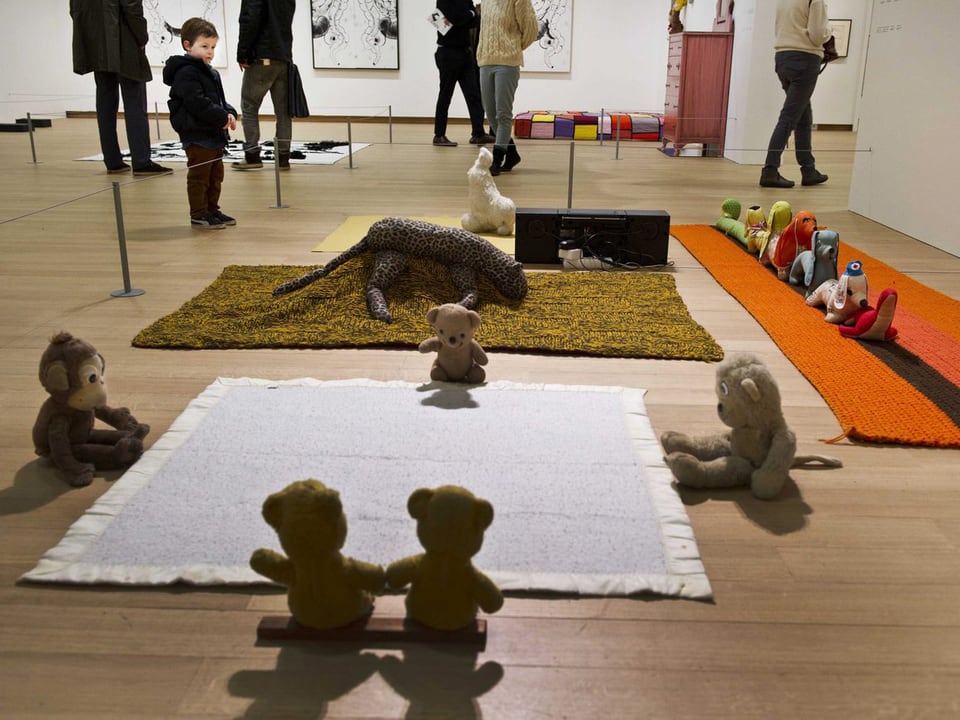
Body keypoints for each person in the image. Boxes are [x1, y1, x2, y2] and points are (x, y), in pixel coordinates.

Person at [70, 0, 171, 176]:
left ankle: (112, 160)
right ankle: (141, 161)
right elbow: (132, 8)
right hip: (125, 41)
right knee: (135, 103)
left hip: (96, 42)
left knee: (105, 102)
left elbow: (75, 10)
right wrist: (142, 37)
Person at [163, 18, 238, 229]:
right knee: (200, 176)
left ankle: (212, 210)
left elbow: (219, 100)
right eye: (204, 46)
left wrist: (229, 112)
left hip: (213, 134)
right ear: (187, 45)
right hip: (197, 134)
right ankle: (199, 213)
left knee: (215, 176)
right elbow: (197, 103)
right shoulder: (186, 73)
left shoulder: (209, 71)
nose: (210, 51)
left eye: (213, 47)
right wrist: (221, 117)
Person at [760, 0, 833, 188]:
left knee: (803, 116)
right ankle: (769, 170)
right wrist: (829, 31)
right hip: (805, 58)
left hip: (783, 58)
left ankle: (808, 170)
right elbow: (818, 35)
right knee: (790, 117)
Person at [476, 0, 539, 175]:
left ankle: (497, 160)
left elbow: (531, 29)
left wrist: (513, 48)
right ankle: (511, 154)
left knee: (503, 114)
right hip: (485, 61)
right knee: (490, 114)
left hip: (507, 63)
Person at [234, 0, 296, 171]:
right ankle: (283, 159)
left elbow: (249, 20)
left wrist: (242, 53)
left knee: (249, 107)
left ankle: (252, 156)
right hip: (283, 57)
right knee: (283, 112)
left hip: (262, 56)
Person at [432, 1, 496, 148]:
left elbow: (473, 21)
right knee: (445, 95)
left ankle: (478, 133)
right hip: (448, 52)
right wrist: (468, 15)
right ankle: (439, 135)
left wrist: (466, 17)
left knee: (474, 94)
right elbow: (457, 18)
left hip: (465, 52)